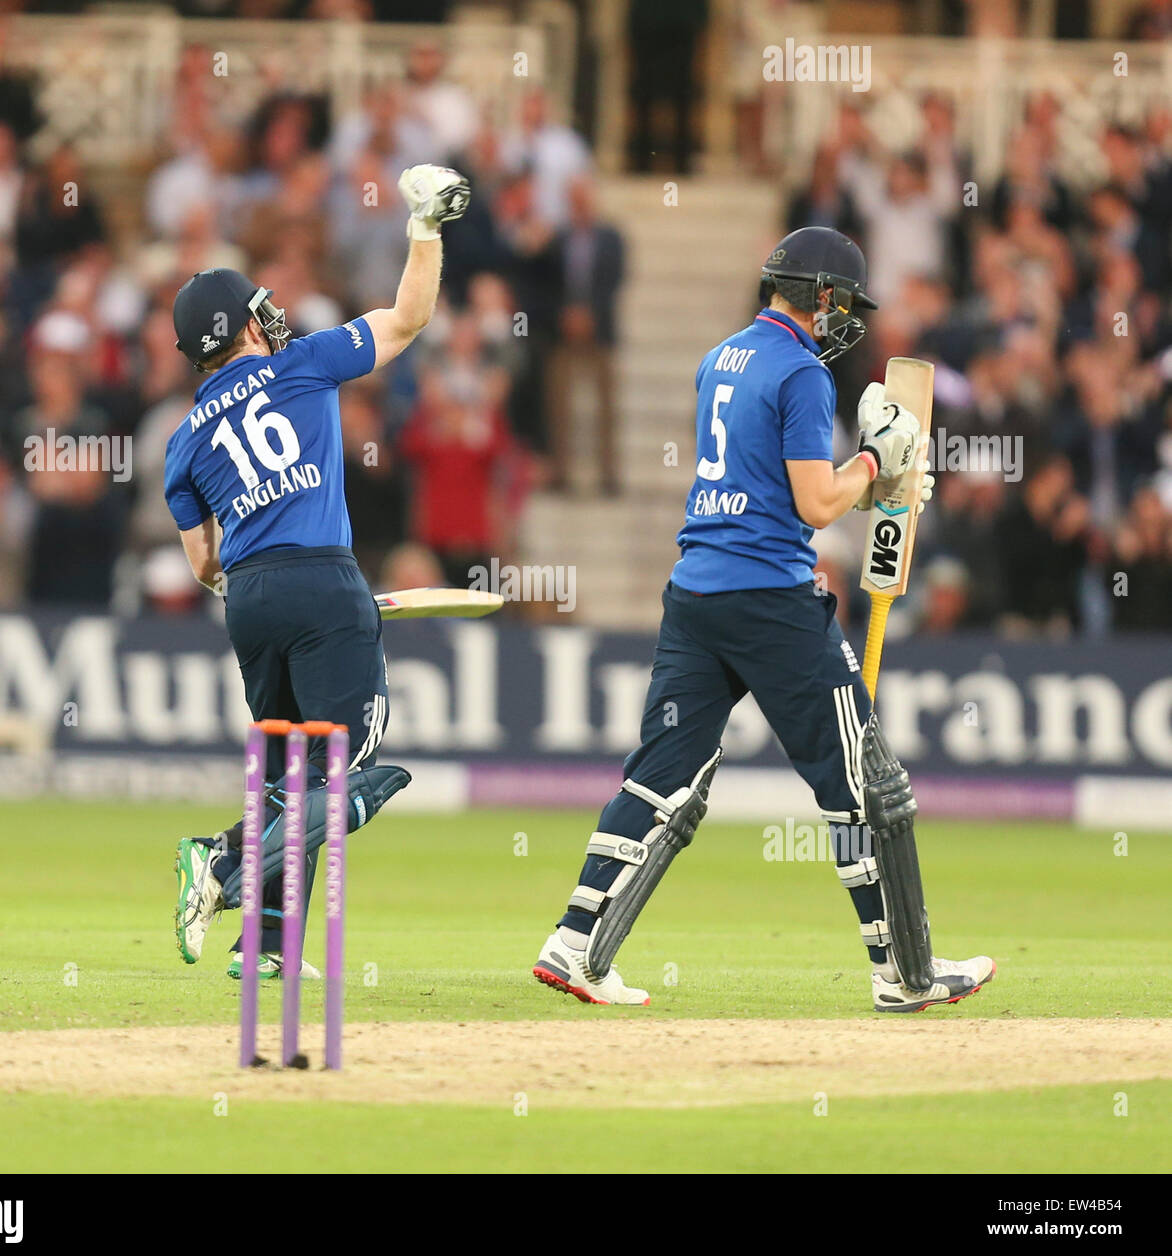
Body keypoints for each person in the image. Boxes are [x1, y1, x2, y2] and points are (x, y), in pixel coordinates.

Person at [532, 227, 996, 1014]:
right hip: (771, 599)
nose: (845, 316)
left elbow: (766, 480)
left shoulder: (722, 357)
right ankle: (907, 974)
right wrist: (876, 467)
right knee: (867, 786)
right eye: (843, 300)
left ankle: (577, 940)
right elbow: (815, 501)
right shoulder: (802, 373)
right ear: (820, 294)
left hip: (696, 592)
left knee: (662, 778)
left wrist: (869, 481)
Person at [169, 163, 470, 979]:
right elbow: (408, 317)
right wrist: (425, 225)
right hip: (323, 580)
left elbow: (204, 563)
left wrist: (257, 579)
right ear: (245, 327)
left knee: (286, 783)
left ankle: (265, 948)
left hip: (251, 600)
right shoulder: (300, 364)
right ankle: (221, 861)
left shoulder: (184, 437)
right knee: (350, 766)